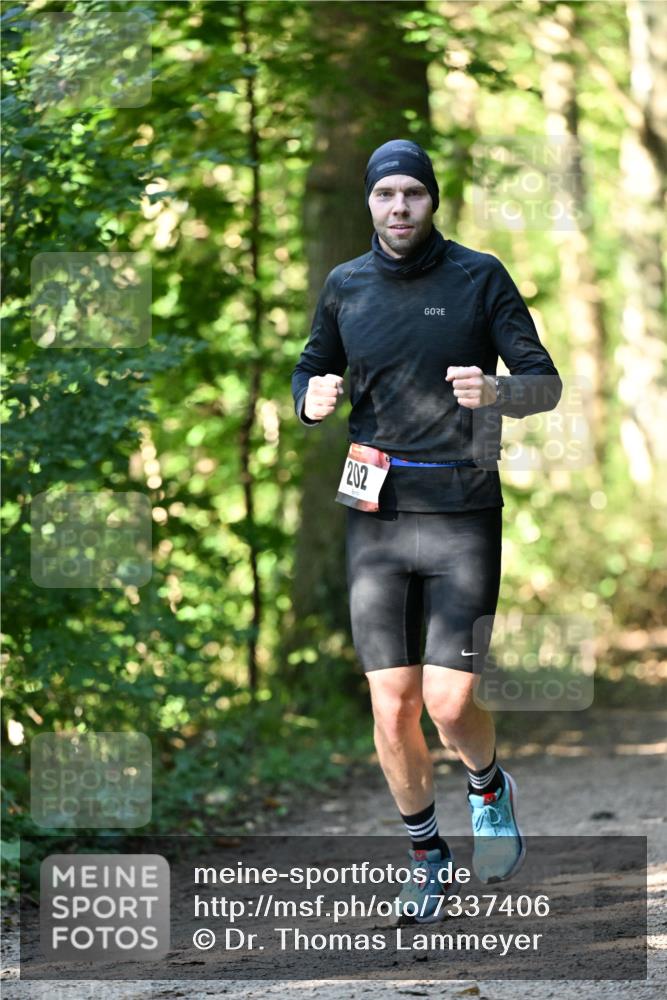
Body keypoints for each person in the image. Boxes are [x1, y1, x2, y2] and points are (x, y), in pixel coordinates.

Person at [291, 138, 562, 924]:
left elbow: (542, 384)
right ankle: (425, 855)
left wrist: (498, 391)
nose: (399, 208)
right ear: (368, 203)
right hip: (375, 515)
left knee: (446, 704)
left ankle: (488, 787)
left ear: (432, 199)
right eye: (385, 196)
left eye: (412, 193)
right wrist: (309, 399)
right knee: (390, 706)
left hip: (463, 511)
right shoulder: (345, 286)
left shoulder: (479, 277)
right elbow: (310, 368)